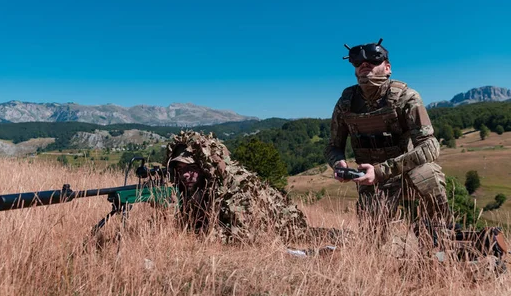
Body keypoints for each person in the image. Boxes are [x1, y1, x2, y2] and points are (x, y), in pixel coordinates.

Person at [324, 39, 452, 245]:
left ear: (388, 67)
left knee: (429, 175)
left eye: (374, 59)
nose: (364, 64)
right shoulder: (346, 103)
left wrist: (382, 170)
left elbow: (430, 147)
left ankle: (439, 240)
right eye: (358, 62)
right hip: (370, 180)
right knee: (372, 243)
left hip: (405, 172)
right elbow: (333, 146)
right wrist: (338, 164)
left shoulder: (406, 97)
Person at [166, 130, 349, 246]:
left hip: (282, 222)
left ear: (204, 168)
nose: (186, 175)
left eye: (191, 168)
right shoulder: (193, 190)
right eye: (181, 170)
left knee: (312, 235)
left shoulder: (232, 189)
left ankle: (346, 236)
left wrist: (202, 236)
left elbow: (245, 235)